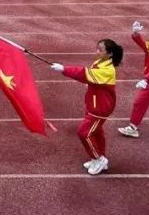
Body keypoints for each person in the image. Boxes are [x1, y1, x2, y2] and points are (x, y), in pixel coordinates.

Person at [50, 38, 122, 175]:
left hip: (100, 107)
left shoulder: (108, 70)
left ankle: (99, 158)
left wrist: (63, 69)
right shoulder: (99, 62)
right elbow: (91, 77)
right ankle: (99, 157)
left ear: (110, 54)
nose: (97, 52)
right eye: (97, 48)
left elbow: (84, 74)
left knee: (84, 133)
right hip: (94, 103)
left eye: (100, 50)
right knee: (97, 132)